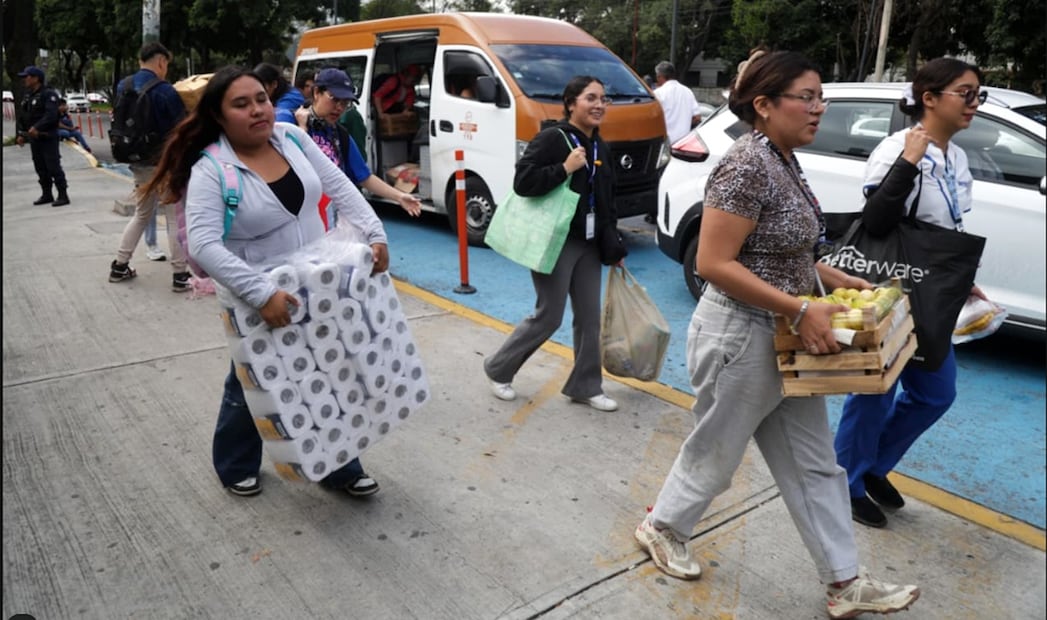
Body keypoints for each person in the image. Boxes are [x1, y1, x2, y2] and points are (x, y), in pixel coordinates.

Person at [632, 50, 921, 619]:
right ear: (763, 105)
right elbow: (714, 262)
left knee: (816, 466)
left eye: (821, 97)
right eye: (806, 97)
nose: (819, 108)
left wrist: (828, 277)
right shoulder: (745, 165)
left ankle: (845, 582)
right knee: (717, 452)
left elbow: (782, 250)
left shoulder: (782, 157)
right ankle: (662, 526)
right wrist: (799, 305)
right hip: (740, 337)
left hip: (788, 338)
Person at [139, 65, 392, 498]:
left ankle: (339, 465)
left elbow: (339, 183)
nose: (257, 110)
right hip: (253, 292)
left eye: (261, 99)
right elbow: (203, 244)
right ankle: (236, 462)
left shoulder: (291, 138)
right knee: (253, 381)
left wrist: (374, 232)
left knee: (326, 370)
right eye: (241, 104)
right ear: (219, 117)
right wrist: (261, 294)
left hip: (316, 281)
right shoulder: (212, 170)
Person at [834, 58, 990, 529]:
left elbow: (944, 228)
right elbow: (878, 221)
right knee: (874, 392)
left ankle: (874, 465)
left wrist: (962, 280)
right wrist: (909, 161)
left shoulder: (957, 158)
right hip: (888, 288)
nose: (973, 104)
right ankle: (845, 482)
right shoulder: (895, 149)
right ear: (929, 98)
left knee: (935, 394)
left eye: (977, 95)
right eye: (965, 93)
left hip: (934, 290)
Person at [483, 76, 621, 413]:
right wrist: (564, 168)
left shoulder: (601, 146)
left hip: (588, 244)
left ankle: (586, 386)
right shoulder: (552, 139)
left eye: (603, 99)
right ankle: (499, 368)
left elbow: (605, 198)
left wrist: (612, 243)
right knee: (549, 316)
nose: (599, 105)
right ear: (572, 103)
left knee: (590, 319)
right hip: (555, 241)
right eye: (591, 98)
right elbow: (523, 182)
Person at [107, 42, 188, 291]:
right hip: (164, 164)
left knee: (142, 214)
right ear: (161, 61)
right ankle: (180, 275)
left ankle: (119, 266)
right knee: (174, 216)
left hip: (136, 161)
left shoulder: (123, 86)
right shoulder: (165, 91)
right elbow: (182, 128)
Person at [296, 68, 422, 224]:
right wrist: (302, 130)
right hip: (299, 218)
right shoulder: (290, 122)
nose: (339, 108)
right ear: (316, 93)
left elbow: (364, 176)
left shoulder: (340, 135)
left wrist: (399, 196)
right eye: (334, 99)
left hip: (328, 219)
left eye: (345, 103)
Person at [15, 66, 69, 207]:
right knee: (40, 167)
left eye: (27, 77)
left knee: (53, 166)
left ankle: (63, 195)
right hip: (34, 138)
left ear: (36, 78)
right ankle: (47, 194)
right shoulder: (29, 95)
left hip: (47, 136)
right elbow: (24, 116)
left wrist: (37, 127)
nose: (24, 80)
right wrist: (22, 133)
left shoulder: (48, 94)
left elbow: (51, 115)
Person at [653, 61, 702, 144]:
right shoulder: (687, 91)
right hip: (683, 143)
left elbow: (653, 118)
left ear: (659, 76)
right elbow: (697, 118)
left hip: (664, 143)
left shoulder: (658, 93)